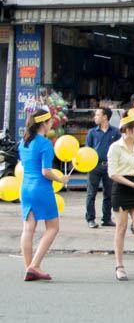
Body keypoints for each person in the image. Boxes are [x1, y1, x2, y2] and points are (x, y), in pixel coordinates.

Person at [18, 109, 69, 281]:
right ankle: (35, 265)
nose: (51, 126)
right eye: (50, 123)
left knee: (28, 229)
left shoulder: (24, 142)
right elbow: (46, 171)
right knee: (53, 227)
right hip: (42, 188)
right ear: (44, 124)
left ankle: (28, 268)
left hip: (25, 188)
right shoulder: (45, 143)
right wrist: (60, 179)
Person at [107, 111, 134, 281]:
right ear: (128, 130)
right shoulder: (115, 147)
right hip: (122, 187)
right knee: (121, 228)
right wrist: (133, 184)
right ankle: (119, 265)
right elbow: (112, 173)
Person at [84, 107, 121, 229]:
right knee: (91, 193)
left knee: (109, 193)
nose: (95, 117)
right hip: (94, 166)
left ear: (105, 117)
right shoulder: (92, 132)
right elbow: (87, 149)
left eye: (97, 115)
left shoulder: (115, 132)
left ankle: (106, 218)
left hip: (109, 166)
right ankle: (90, 218)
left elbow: (119, 149)